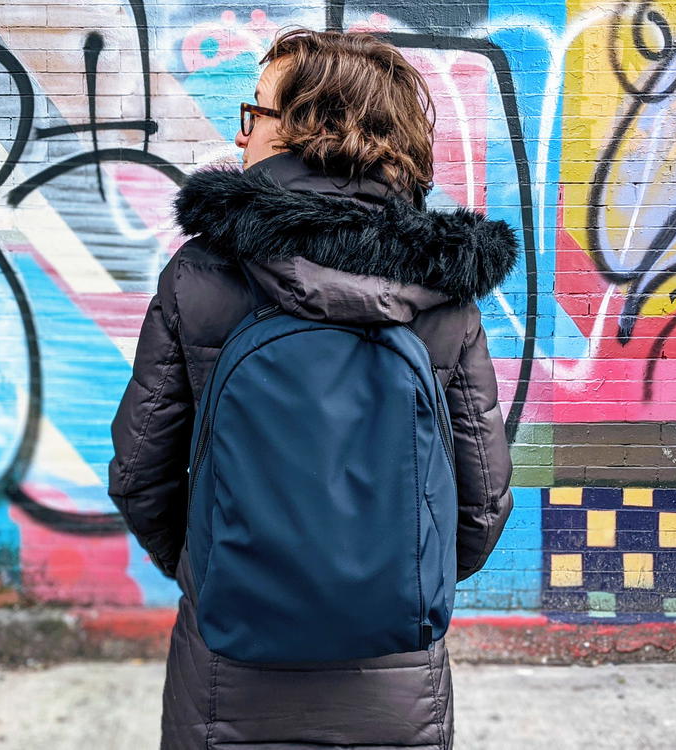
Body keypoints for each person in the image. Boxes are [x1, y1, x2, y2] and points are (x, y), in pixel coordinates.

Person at [108, 26, 518, 750]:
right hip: (398, 672)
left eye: (254, 113)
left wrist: (210, 567)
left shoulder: (200, 276)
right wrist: (399, 575)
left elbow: (141, 474)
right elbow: (481, 502)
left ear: (311, 126)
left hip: (228, 664)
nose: (240, 142)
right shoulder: (443, 292)